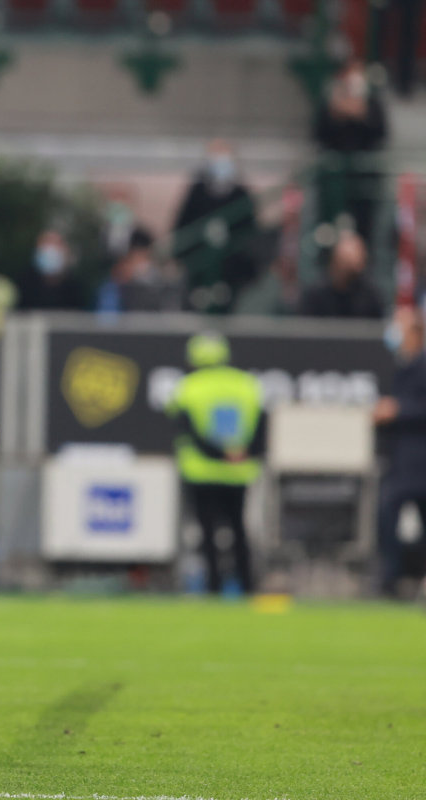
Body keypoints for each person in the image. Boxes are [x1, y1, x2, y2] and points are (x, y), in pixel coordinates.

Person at [167, 333, 266, 595]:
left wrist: (218, 453)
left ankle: (213, 587)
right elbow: (261, 428)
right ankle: (247, 585)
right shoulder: (247, 384)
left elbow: (187, 431)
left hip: (202, 471)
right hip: (239, 471)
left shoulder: (188, 387)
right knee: (239, 530)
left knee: (208, 532)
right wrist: (240, 453)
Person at [171, 139, 260, 314]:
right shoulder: (196, 192)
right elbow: (182, 226)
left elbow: (250, 232)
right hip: (198, 269)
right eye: (216, 157)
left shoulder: (241, 194)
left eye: (224, 157)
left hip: (233, 271)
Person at [373, 306, 426, 598]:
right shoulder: (399, 366)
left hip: (420, 463)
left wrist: (398, 410)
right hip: (402, 462)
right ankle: (391, 580)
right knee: (386, 516)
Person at [313, 58, 388, 247]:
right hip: (335, 175)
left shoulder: (373, 103)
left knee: (365, 225)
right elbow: (319, 134)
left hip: (364, 176)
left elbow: (381, 133)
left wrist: (362, 113)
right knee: (330, 225)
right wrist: (337, 113)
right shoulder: (331, 103)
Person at [298, 230, 385, 319]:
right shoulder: (316, 294)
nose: (357, 260)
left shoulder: (370, 295)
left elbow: (378, 323)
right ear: (336, 259)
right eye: (348, 258)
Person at [15, 229, 87, 311]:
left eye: (56, 244)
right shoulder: (23, 284)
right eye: (45, 244)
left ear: (66, 250)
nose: (50, 250)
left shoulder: (75, 288)